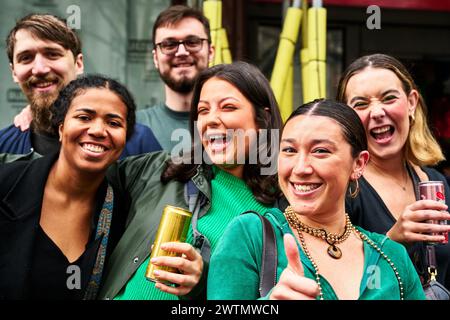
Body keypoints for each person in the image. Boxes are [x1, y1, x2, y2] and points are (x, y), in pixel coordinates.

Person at [98, 61, 283, 300]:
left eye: (228, 107)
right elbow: (79, 179)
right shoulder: (160, 170)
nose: (211, 119)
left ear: (262, 119)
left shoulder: (280, 211)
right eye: (203, 111)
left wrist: (201, 283)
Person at [207, 99, 425, 300]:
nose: (301, 168)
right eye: (289, 150)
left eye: (320, 151)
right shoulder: (250, 235)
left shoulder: (392, 257)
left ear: (358, 164)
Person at [0, 74, 136, 299]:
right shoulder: (6, 185)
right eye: (84, 117)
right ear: (61, 129)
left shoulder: (124, 213)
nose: (98, 130)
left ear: (124, 139)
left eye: (113, 123)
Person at [336, 53, 450, 290]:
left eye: (388, 98)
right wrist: (392, 241)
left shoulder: (437, 184)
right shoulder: (342, 188)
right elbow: (332, 283)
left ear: (411, 103)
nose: (377, 112)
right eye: (361, 104)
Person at [2, 13, 161, 158]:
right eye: (26, 58)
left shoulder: (136, 141)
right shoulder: (4, 147)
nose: (39, 69)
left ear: (78, 63)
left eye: (52, 54)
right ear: (14, 72)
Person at [136, 5, 214, 152]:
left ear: (210, 52)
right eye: (169, 44)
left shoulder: (230, 126)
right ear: (155, 58)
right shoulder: (134, 128)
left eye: (192, 42)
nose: (182, 52)